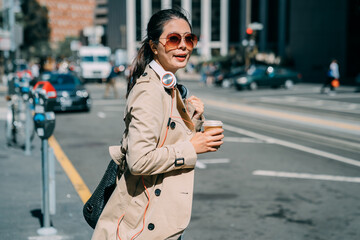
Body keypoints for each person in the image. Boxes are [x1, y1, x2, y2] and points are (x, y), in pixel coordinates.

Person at [91, 9, 224, 240]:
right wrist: (192, 148)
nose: (183, 46)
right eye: (173, 39)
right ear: (154, 46)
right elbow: (139, 161)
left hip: (160, 219)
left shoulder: (166, 86)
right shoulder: (149, 91)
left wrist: (192, 118)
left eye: (189, 39)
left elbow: (165, 135)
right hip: (142, 226)